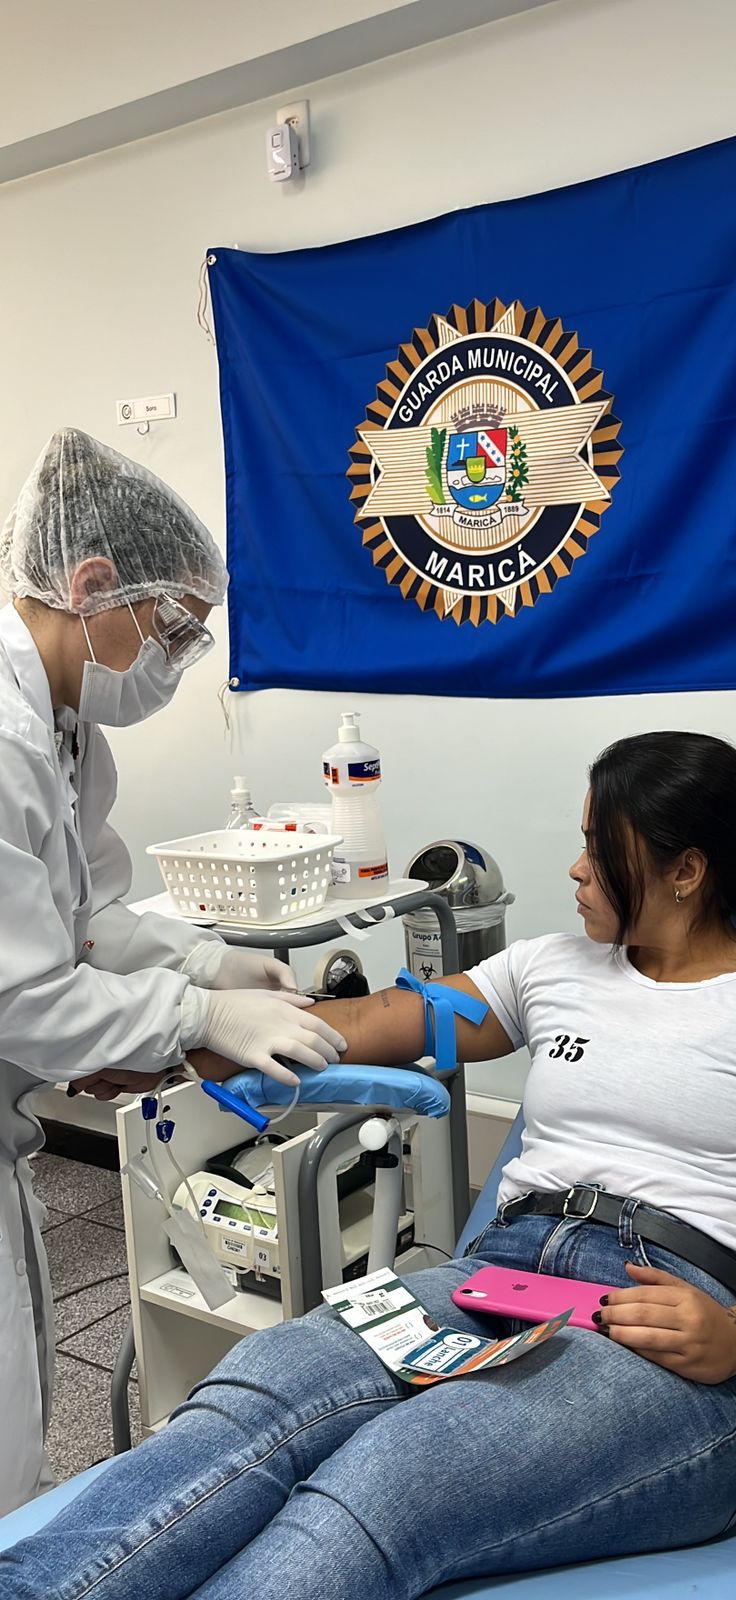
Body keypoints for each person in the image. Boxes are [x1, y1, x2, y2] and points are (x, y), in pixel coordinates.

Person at [2, 732, 736, 1600]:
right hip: (492, 1279)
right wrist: (196, 1026)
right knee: (257, 1391)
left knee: (388, 1481)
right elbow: (362, 1026)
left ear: (686, 871)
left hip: (663, 1328)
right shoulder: (552, 969)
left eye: (600, 847)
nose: (577, 869)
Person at [0, 429, 345, 1517]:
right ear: (93, 584)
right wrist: (200, 1010)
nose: (182, 658)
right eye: (178, 627)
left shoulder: (65, 733)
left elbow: (92, 919)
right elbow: (27, 995)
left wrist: (210, 959)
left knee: (20, 1416)